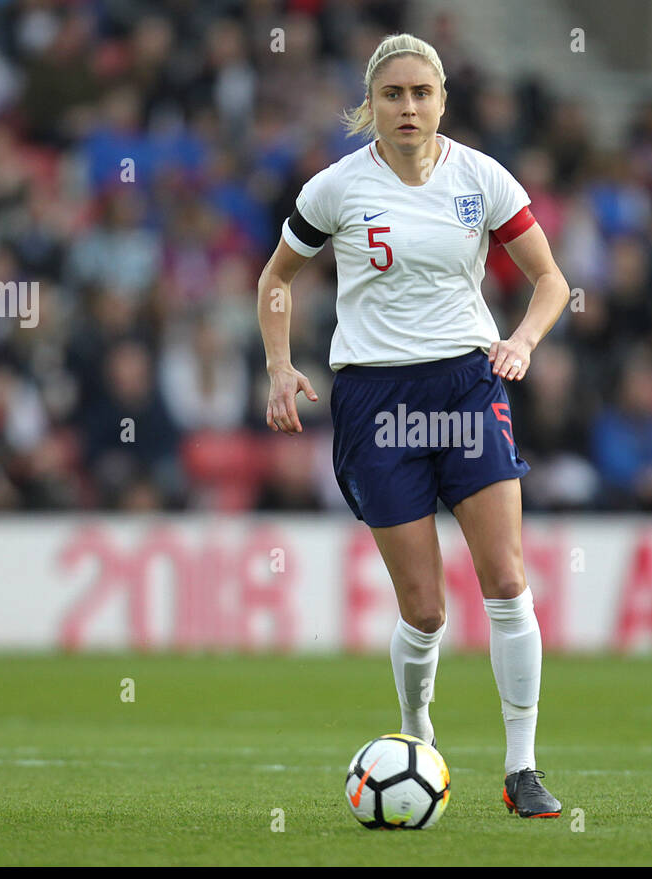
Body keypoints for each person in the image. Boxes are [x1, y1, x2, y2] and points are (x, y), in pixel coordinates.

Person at [256, 33, 570, 818]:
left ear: (441, 101)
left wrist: (522, 340)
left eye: (420, 94)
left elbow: (551, 280)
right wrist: (279, 364)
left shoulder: (481, 177)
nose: (407, 107)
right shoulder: (336, 188)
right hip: (375, 400)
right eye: (392, 95)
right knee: (425, 609)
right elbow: (276, 277)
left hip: (469, 385)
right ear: (372, 104)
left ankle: (522, 768)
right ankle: (414, 732)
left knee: (505, 580)